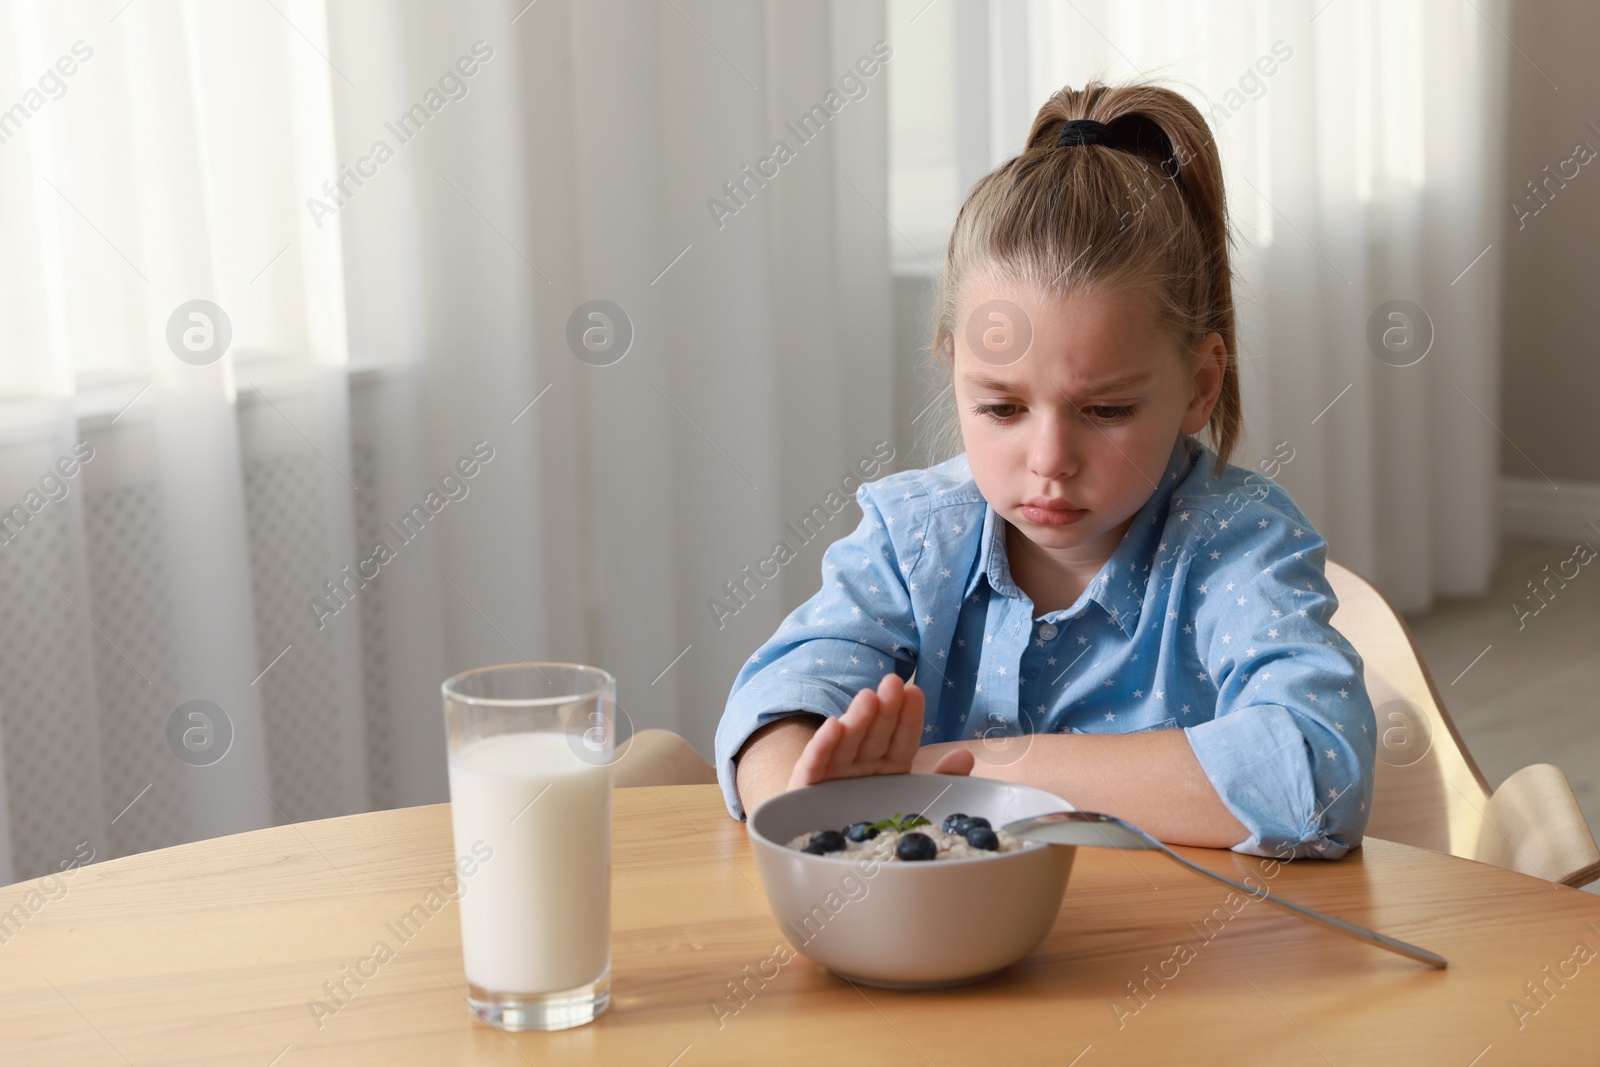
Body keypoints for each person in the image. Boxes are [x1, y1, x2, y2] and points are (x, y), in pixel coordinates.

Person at [714, 81, 1376, 859]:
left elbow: (1317, 775)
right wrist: (800, 781)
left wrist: (970, 773)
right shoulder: (911, 541)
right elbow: (770, 708)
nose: (1050, 459)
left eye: (1106, 410)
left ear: (1200, 386)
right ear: (952, 366)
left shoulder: (1240, 545)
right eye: (1001, 409)